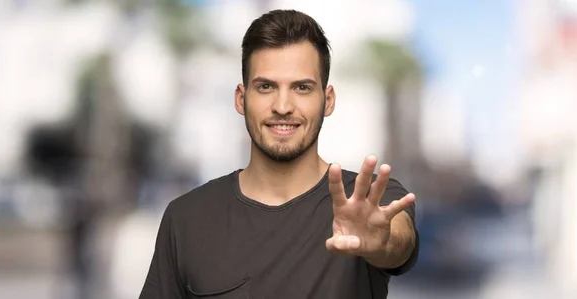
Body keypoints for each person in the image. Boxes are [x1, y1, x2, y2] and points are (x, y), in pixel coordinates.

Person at [139, 9, 419, 299]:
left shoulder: (371, 201)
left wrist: (382, 243)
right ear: (241, 98)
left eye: (301, 87)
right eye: (265, 87)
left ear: (328, 100)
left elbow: (399, 240)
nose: (283, 106)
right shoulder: (187, 218)